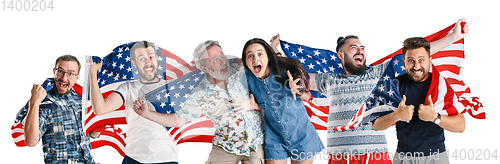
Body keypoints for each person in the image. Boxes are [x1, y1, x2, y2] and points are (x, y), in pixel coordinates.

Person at [271, 18, 468, 164]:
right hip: (340, 157)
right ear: (340, 55)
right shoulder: (329, 80)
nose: (360, 50)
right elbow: (298, 76)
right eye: (353, 47)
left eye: (362, 47)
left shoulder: (379, 73)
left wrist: (453, 37)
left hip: (375, 157)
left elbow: (416, 55)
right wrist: (274, 57)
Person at [132, 40, 266, 164]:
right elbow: (179, 120)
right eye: (215, 60)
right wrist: (147, 113)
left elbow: (271, 88)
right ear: (205, 69)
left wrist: (273, 49)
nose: (223, 61)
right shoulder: (200, 94)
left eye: (221, 54)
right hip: (225, 148)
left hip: (255, 144)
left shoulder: (242, 69)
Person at [372, 37, 465, 164]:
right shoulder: (395, 85)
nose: (416, 66)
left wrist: (435, 117)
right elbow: (376, 125)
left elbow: (461, 125)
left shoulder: (441, 84)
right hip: (403, 157)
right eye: (411, 60)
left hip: (436, 157)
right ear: (404, 63)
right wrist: (396, 115)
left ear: (430, 61)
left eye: (421, 60)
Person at [89, 41, 178, 164]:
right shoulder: (128, 88)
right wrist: (93, 73)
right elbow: (100, 109)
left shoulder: (172, 88)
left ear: (157, 59)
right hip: (133, 158)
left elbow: (179, 120)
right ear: (134, 64)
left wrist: (148, 113)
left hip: (165, 158)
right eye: (142, 59)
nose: (148, 62)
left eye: (151, 57)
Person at [242, 38, 325, 164]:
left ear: (268, 58)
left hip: (302, 136)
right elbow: (266, 104)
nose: (255, 59)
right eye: (250, 56)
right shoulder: (247, 80)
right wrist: (255, 106)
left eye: (260, 54)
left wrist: (298, 91)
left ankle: (273, 47)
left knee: (279, 61)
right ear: (246, 62)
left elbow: (309, 97)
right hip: (274, 139)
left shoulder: (286, 73)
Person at [22, 55, 99, 163]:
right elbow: (31, 141)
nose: (63, 78)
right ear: (54, 71)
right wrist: (34, 102)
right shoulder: (45, 102)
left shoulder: (81, 99)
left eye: (70, 74)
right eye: (60, 71)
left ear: (77, 77)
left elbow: (93, 134)